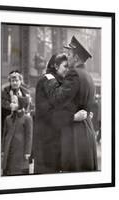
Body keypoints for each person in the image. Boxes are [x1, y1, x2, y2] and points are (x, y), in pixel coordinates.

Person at [45, 36, 98, 172]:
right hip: (86, 132)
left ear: (76, 58)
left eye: (69, 54)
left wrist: (51, 79)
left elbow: (57, 99)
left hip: (74, 136)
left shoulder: (74, 74)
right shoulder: (88, 76)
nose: (67, 58)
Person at [33, 53, 88, 174]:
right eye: (65, 66)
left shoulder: (58, 81)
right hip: (46, 144)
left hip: (55, 142)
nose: (68, 70)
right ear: (56, 66)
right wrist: (73, 117)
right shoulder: (47, 80)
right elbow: (48, 114)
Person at [1, 71, 33, 175]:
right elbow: (2, 102)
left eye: (17, 80)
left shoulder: (25, 91)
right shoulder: (5, 91)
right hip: (8, 120)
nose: (15, 83)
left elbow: (29, 104)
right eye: (12, 80)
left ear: (20, 81)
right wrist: (9, 106)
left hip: (22, 120)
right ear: (9, 81)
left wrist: (24, 110)